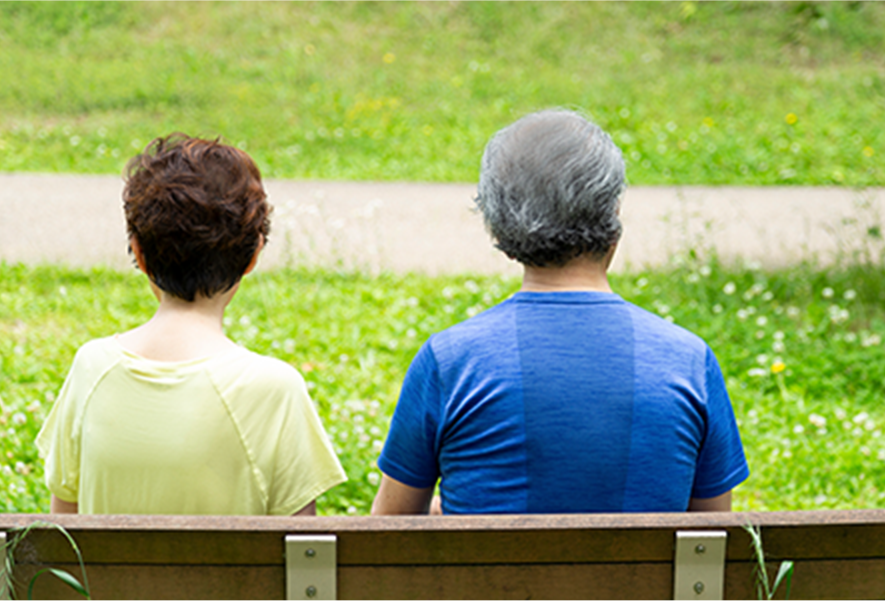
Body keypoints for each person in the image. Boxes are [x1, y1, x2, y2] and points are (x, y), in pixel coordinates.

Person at [372, 110, 749, 515]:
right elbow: (712, 532)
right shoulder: (689, 361)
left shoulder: (450, 363)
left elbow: (390, 531)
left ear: (498, 227)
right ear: (613, 214)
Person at [35, 134, 347, 515]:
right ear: (253, 255)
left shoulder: (92, 368)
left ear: (139, 254)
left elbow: (64, 528)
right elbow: (302, 544)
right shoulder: (275, 389)